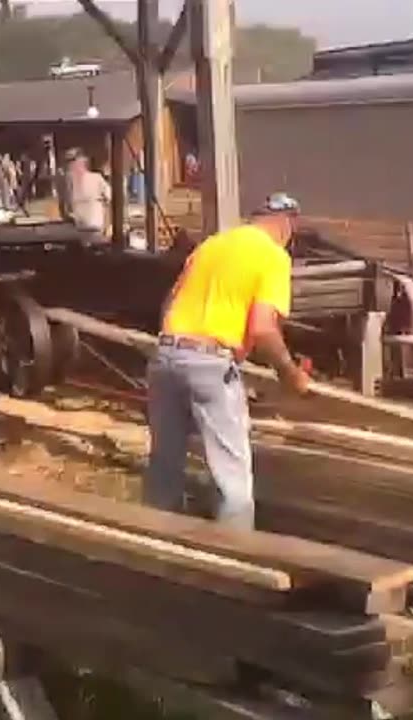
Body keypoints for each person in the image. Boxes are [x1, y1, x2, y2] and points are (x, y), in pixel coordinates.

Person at [145, 193, 311, 530]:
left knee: (164, 465)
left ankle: (153, 546)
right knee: (232, 476)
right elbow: (264, 328)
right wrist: (290, 373)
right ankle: (237, 557)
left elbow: (169, 303)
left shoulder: (211, 246)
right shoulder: (272, 256)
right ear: (287, 223)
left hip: (165, 355)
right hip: (209, 363)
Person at [67, 153, 111, 242]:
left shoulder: (96, 178)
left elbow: (109, 195)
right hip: (78, 225)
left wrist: (107, 218)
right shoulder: (69, 181)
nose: (72, 168)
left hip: (94, 223)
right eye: (71, 165)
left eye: (75, 164)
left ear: (82, 165)